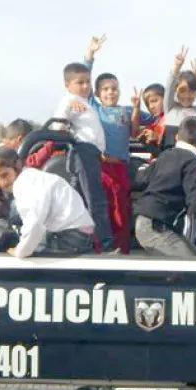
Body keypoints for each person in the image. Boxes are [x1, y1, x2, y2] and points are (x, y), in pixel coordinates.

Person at [81, 35, 146, 253]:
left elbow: (142, 125)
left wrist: (137, 108)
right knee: (101, 210)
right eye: (106, 89)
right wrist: (90, 53)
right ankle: (101, 251)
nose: (111, 92)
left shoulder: (126, 110)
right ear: (98, 93)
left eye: (115, 88)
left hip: (121, 168)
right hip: (101, 168)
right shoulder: (94, 108)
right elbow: (84, 77)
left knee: (121, 211)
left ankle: (122, 251)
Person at [134, 117, 196, 257]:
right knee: (193, 269)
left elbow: (142, 178)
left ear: (177, 137)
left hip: (148, 223)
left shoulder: (166, 155)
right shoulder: (195, 161)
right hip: (156, 227)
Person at [0, 148, 95, 258]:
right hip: (77, 233)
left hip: (70, 237)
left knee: (29, 264)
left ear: (17, 165)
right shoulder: (32, 177)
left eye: (5, 175)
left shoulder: (25, 183)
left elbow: (34, 223)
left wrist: (20, 251)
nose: (2, 183)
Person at [53, 61, 114, 252]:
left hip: (93, 154)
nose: (85, 86)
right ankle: (104, 244)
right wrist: (67, 108)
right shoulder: (69, 102)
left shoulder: (86, 104)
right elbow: (58, 126)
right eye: (80, 83)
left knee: (80, 200)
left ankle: (79, 243)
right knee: (95, 199)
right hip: (83, 152)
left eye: (88, 82)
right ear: (67, 86)